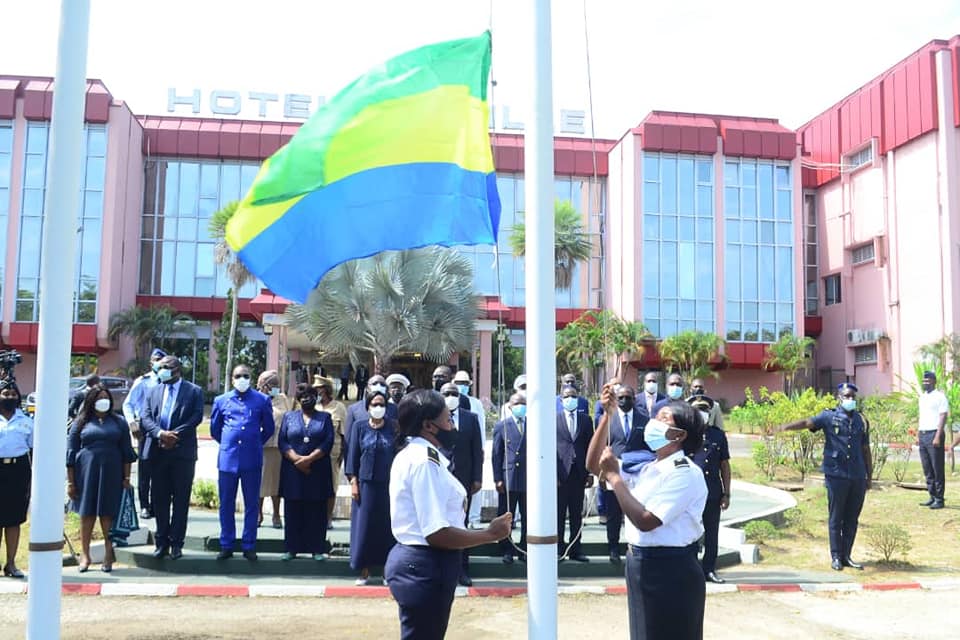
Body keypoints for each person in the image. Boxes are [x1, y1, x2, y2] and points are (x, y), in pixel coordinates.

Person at [385, 389, 512, 640]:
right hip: (424, 564)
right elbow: (436, 533)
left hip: (426, 564)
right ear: (429, 426)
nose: (452, 425)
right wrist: (489, 534)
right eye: (447, 419)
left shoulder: (426, 456)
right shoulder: (423, 461)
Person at [587, 384, 708, 640]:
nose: (654, 422)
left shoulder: (684, 473)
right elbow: (593, 462)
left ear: (679, 435)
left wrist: (614, 478)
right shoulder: (647, 465)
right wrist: (607, 417)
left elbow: (646, 520)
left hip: (671, 568)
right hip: (642, 563)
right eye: (656, 416)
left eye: (664, 419)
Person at [777, 382, 872, 571]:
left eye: (853, 396)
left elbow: (865, 449)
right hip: (836, 475)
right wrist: (785, 426)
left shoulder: (862, 420)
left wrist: (869, 476)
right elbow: (807, 423)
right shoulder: (828, 416)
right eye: (847, 396)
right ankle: (836, 556)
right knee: (836, 517)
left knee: (852, 518)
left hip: (857, 476)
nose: (850, 400)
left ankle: (847, 556)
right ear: (839, 398)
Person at [66, 385, 137, 572]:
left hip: (112, 472)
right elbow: (71, 453)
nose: (103, 401)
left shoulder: (119, 422)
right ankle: (85, 555)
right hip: (86, 473)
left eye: (106, 397)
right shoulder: (81, 422)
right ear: (91, 401)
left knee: (107, 514)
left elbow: (127, 452)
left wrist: (126, 477)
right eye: (99, 397)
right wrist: (71, 482)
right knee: (86, 515)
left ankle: (108, 553)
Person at [140, 355, 204, 559]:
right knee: (159, 499)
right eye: (160, 368)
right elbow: (145, 417)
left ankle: (177, 543)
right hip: (158, 452)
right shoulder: (153, 391)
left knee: (181, 500)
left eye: (166, 367)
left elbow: (196, 417)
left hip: (182, 453)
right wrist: (161, 434)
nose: (161, 371)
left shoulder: (194, 391)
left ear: (177, 370)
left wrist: (174, 435)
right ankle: (161, 542)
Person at [210, 364, 275, 561]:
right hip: (228, 460)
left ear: (251, 377)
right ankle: (226, 544)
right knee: (226, 503)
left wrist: (254, 443)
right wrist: (229, 444)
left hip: (252, 459)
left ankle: (249, 545)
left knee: (252, 504)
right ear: (231, 379)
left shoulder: (262, 400)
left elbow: (269, 428)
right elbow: (215, 429)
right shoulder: (221, 400)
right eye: (238, 376)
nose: (242, 379)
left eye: (245, 375)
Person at [278, 383, 335, 560]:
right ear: (297, 399)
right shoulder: (289, 417)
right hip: (293, 471)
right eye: (302, 395)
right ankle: (291, 549)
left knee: (316, 510)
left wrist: (309, 459)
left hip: (317, 471)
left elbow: (327, 441)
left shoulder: (325, 418)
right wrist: (297, 459)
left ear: (316, 397)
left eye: (310, 395)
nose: (306, 398)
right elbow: (283, 442)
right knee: (293, 509)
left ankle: (317, 549)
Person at [346, 390, 397, 585]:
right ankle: (364, 571)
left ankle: (387, 571)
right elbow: (352, 456)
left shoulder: (393, 427)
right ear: (368, 407)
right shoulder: (359, 427)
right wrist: (353, 482)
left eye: (382, 405)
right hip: (365, 485)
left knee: (386, 528)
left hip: (388, 485)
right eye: (374, 404)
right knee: (364, 527)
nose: (378, 408)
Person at [601, 384, 651, 563]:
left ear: (634, 399)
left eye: (628, 397)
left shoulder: (644, 419)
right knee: (613, 513)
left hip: (637, 474)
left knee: (635, 510)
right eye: (620, 397)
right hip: (614, 472)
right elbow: (602, 446)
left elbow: (649, 446)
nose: (624, 401)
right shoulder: (608, 419)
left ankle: (634, 545)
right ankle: (613, 548)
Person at [440, 383, 483, 585]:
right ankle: (443, 569)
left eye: (454, 393)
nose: (450, 396)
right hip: (441, 478)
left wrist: (477, 478)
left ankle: (462, 570)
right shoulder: (433, 418)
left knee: (462, 525)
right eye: (446, 393)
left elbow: (477, 450)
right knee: (441, 523)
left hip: (464, 479)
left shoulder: (471, 418)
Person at [688, 394, 730, 584]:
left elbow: (724, 466)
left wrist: (726, 492)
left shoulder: (718, 435)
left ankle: (709, 570)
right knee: (690, 532)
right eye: (698, 410)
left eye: (705, 410)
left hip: (712, 492)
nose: (702, 414)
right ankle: (690, 570)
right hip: (691, 494)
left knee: (712, 533)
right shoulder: (686, 434)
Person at [122, 348, 166, 520]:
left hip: (162, 429)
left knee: (161, 469)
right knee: (145, 468)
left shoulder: (168, 381)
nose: (159, 363)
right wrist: (132, 423)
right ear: (151, 362)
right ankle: (145, 506)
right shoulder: (143, 381)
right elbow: (128, 404)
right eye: (156, 360)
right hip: (145, 430)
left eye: (162, 360)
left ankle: (157, 504)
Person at [556, 384, 594, 562]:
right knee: (559, 513)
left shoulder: (586, 420)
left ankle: (575, 549)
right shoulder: (553, 419)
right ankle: (559, 549)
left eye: (573, 396)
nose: (569, 399)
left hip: (579, 473)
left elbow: (590, 447)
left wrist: (590, 472)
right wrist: (553, 475)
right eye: (566, 396)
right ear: (561, 399)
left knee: (576, 514)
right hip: (561, 474)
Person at [0, 379, 32, 578]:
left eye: (13, 394)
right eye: (5, 393)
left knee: (14, 520)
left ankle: (11, 564)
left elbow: (34, 449)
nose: (9, 397)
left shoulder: (26, 421)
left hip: (18, 471)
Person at [493, 392, 528, 564]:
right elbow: (497, 454)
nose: (520, 406)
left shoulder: (532, 425)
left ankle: (524, 549)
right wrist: (497, 478)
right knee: (506, 515)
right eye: (516, 404)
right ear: (510, 406)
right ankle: (506, 549)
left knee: (528, 517)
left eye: (523, 403)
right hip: (509, 476)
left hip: (528, 478)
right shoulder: (502, 426)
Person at [452, 370, 486, 528]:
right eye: (458, 383)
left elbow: (481, 429)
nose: (461, 387)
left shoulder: (475, 405)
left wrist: (481, 449)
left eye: (465, 383)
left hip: (467, 462)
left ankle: (474, 518)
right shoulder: (439, 412)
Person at [257, 370, 290, 529]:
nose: (275, 388)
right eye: (272, 385)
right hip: (261, 447)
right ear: (263, 385)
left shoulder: (283, 399)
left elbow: (289, 418)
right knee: (260, 482)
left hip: (279, 447)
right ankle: (258, 513)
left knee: (277, 483)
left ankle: (276, 514)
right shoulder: (256, 398)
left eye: (277, 384)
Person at [314, 376, 347, 529]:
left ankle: (328, 518)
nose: (317, 392)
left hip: (332, 454)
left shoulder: (338, 407)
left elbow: (344, 433)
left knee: (331, 487)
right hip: (313, 453)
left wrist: (343, 454)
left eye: (319, 389)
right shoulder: (313, 406)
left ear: (326, 390)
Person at [343, 375, 396, 461]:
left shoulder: (393, 409)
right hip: (363, 460)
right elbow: (348, 441)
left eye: (382, 384)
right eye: (375, 383)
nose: (378, 386)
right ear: (367, 387)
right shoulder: (354, 409)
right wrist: (349, 468)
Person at [917, 371, 948, 509]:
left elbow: (943, 416)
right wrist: (919, 434)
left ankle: (940, 499)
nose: (925, 383)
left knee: (937, 468)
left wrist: (937, 436)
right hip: (923, 434)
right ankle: (932, 496)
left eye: (928, 380)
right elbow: (923, 416)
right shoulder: (922, 397)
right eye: (924, 381)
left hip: (934, 434)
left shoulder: (940, 397)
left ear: (934, 381)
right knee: (927, 468)